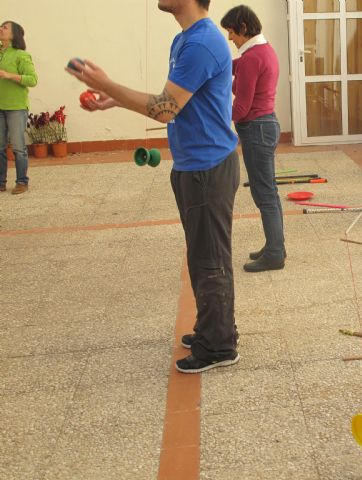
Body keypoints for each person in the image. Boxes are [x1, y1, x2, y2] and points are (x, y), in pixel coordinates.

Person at [66, 0, 240, 374]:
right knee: (202, 255)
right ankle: (215, 328)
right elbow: (174, 100)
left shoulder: (201, 43)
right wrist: (115, 99)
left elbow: (164, 110)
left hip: (208, 167)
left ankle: (220, 345)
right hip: (194, 165)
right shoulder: (185, 40)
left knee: (210, 260)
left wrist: (106, 83)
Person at [221, 5, 285, 273]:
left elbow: (242, 108)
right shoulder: (263, 51)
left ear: (244, 29)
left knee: (264, 194)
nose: (229, 38)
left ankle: (274, 254)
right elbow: (232, 66)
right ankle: (275, 247)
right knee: (268, 191)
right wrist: (217, 65)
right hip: (265, 125)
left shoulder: (251, 59)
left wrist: (217, 122)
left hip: (256, 128)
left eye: (232, 32)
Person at [0, 20, 37, 195]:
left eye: (4, 27)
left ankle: (22, 181)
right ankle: (1, 182)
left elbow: (32, 80)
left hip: (16, 108)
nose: (1, 29)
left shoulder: (21, 55)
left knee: (18, 148)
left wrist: (8, 75)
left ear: (14, 34)